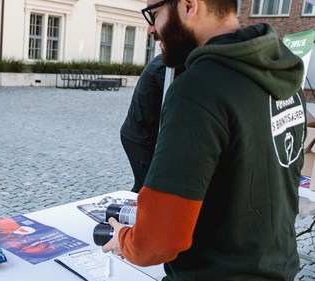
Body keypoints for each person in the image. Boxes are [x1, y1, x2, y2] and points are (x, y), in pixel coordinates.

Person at [103, 0, 306, 280]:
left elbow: (157, 241)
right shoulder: (283, 73)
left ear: (188, 6)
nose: (151, 28)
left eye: (155, 13)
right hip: (276, 268)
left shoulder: (198, 89)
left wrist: (123, 238)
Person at [120, 54, 184, 193]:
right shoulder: (164, 67)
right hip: (136, 137)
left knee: (147, 185)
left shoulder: (167, 62)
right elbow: (180, 94)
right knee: (146, 187)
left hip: (145, 134)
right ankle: (124, 212)